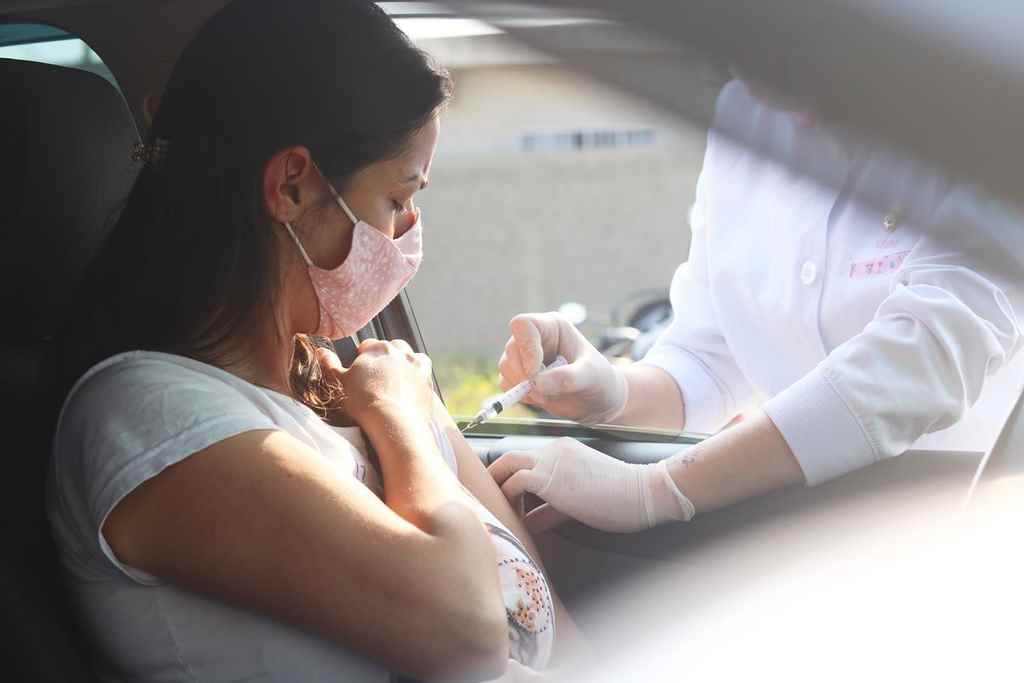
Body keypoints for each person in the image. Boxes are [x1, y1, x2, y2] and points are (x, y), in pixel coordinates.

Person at [45, 1, 580, 681]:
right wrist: (400, 414)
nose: (409, 229)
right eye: (396, 198)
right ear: (292, 185)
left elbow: (556, 634)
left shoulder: (347, 380)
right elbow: (469, 630)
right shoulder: (144, 418)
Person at [489, 76, 1024, 534]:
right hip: (793, 535)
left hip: (970, 525)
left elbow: (926, 361)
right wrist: (613, 393)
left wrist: (656, 489)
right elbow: (713, 355)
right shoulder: (744, 110)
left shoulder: (991, 97)